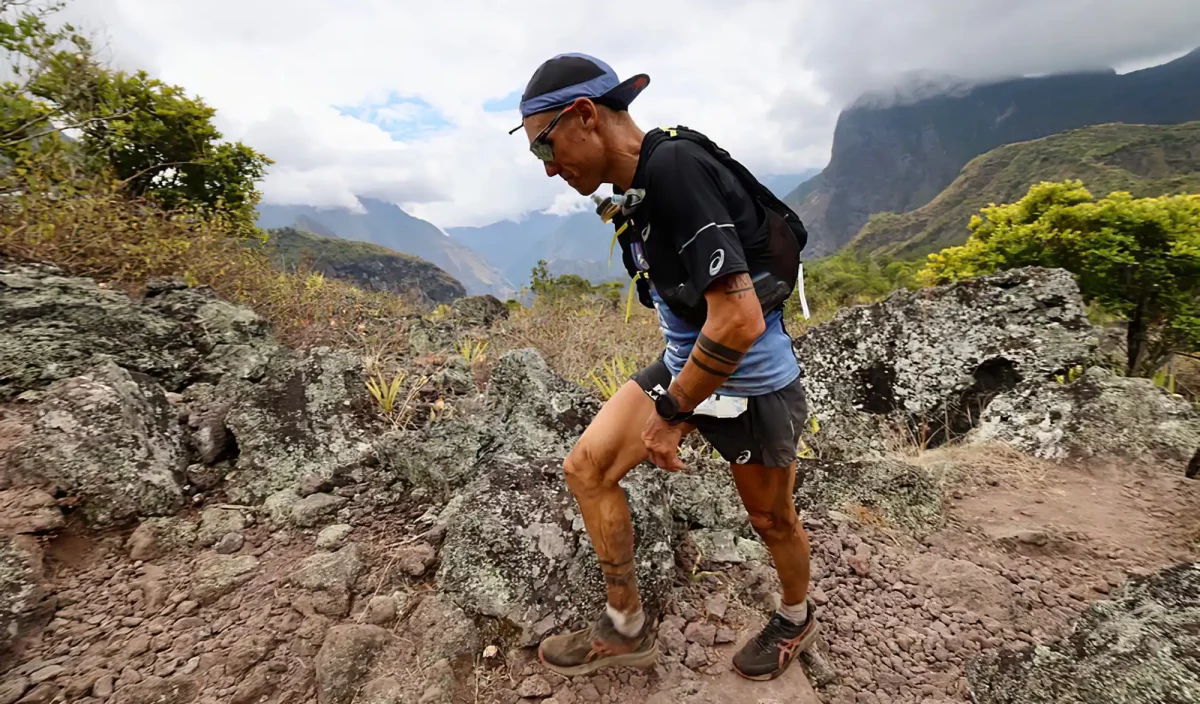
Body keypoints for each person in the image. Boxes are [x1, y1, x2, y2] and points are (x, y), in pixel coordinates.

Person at [512, 53, 819, 681]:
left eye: (546, 151)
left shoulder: (675, 168)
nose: (549, 171)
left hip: (751, 384)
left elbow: (738, 320)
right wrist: (677, 394)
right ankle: (625, 626)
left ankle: (795, 615)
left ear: (584, 116)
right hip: (687, 367)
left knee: (771, 518)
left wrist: (674, 414)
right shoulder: (639, 186)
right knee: (587, 469)